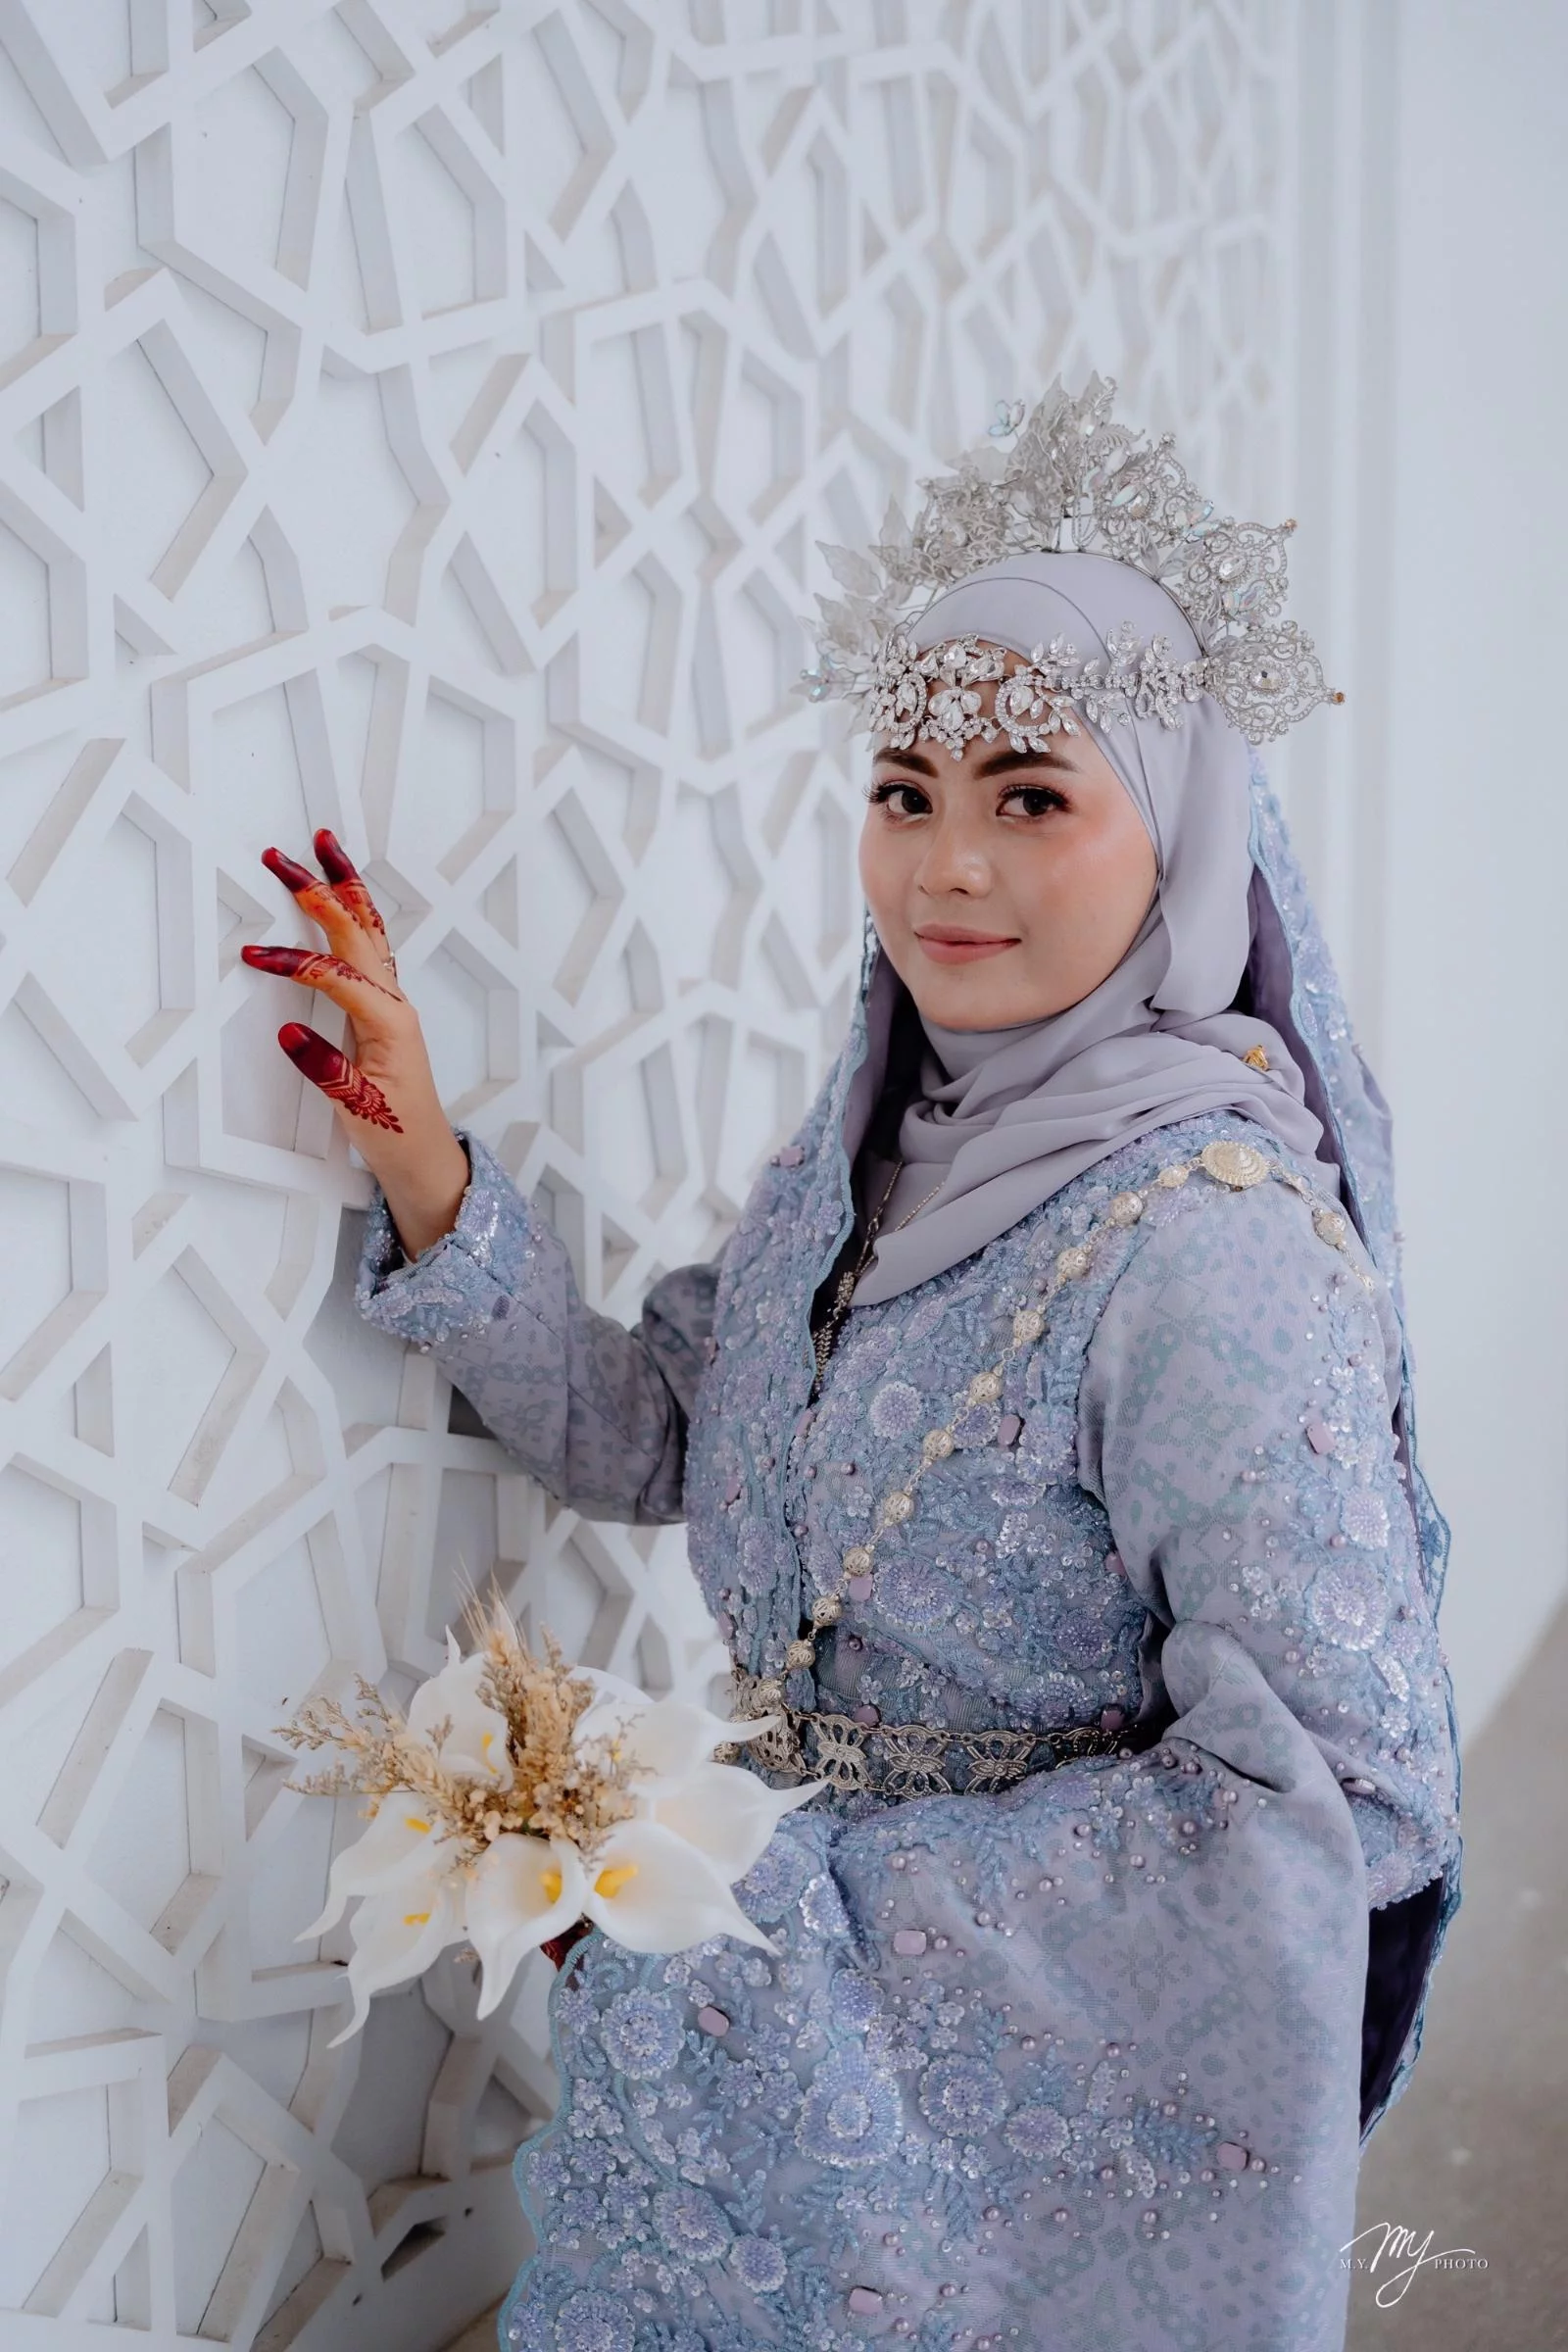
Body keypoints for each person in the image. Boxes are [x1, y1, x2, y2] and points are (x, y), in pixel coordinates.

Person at [245, 381, 1459, 2351]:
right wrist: (422, 1160)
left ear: (1180, 835)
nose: (943, 868)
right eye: (904, 790)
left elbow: (1335, 1799)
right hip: (748, 2054)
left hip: (982, 2118)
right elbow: (658, 1432)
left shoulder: (1211, 1247)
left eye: (1029, 796)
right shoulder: (872, 1152)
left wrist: (802, 1910)